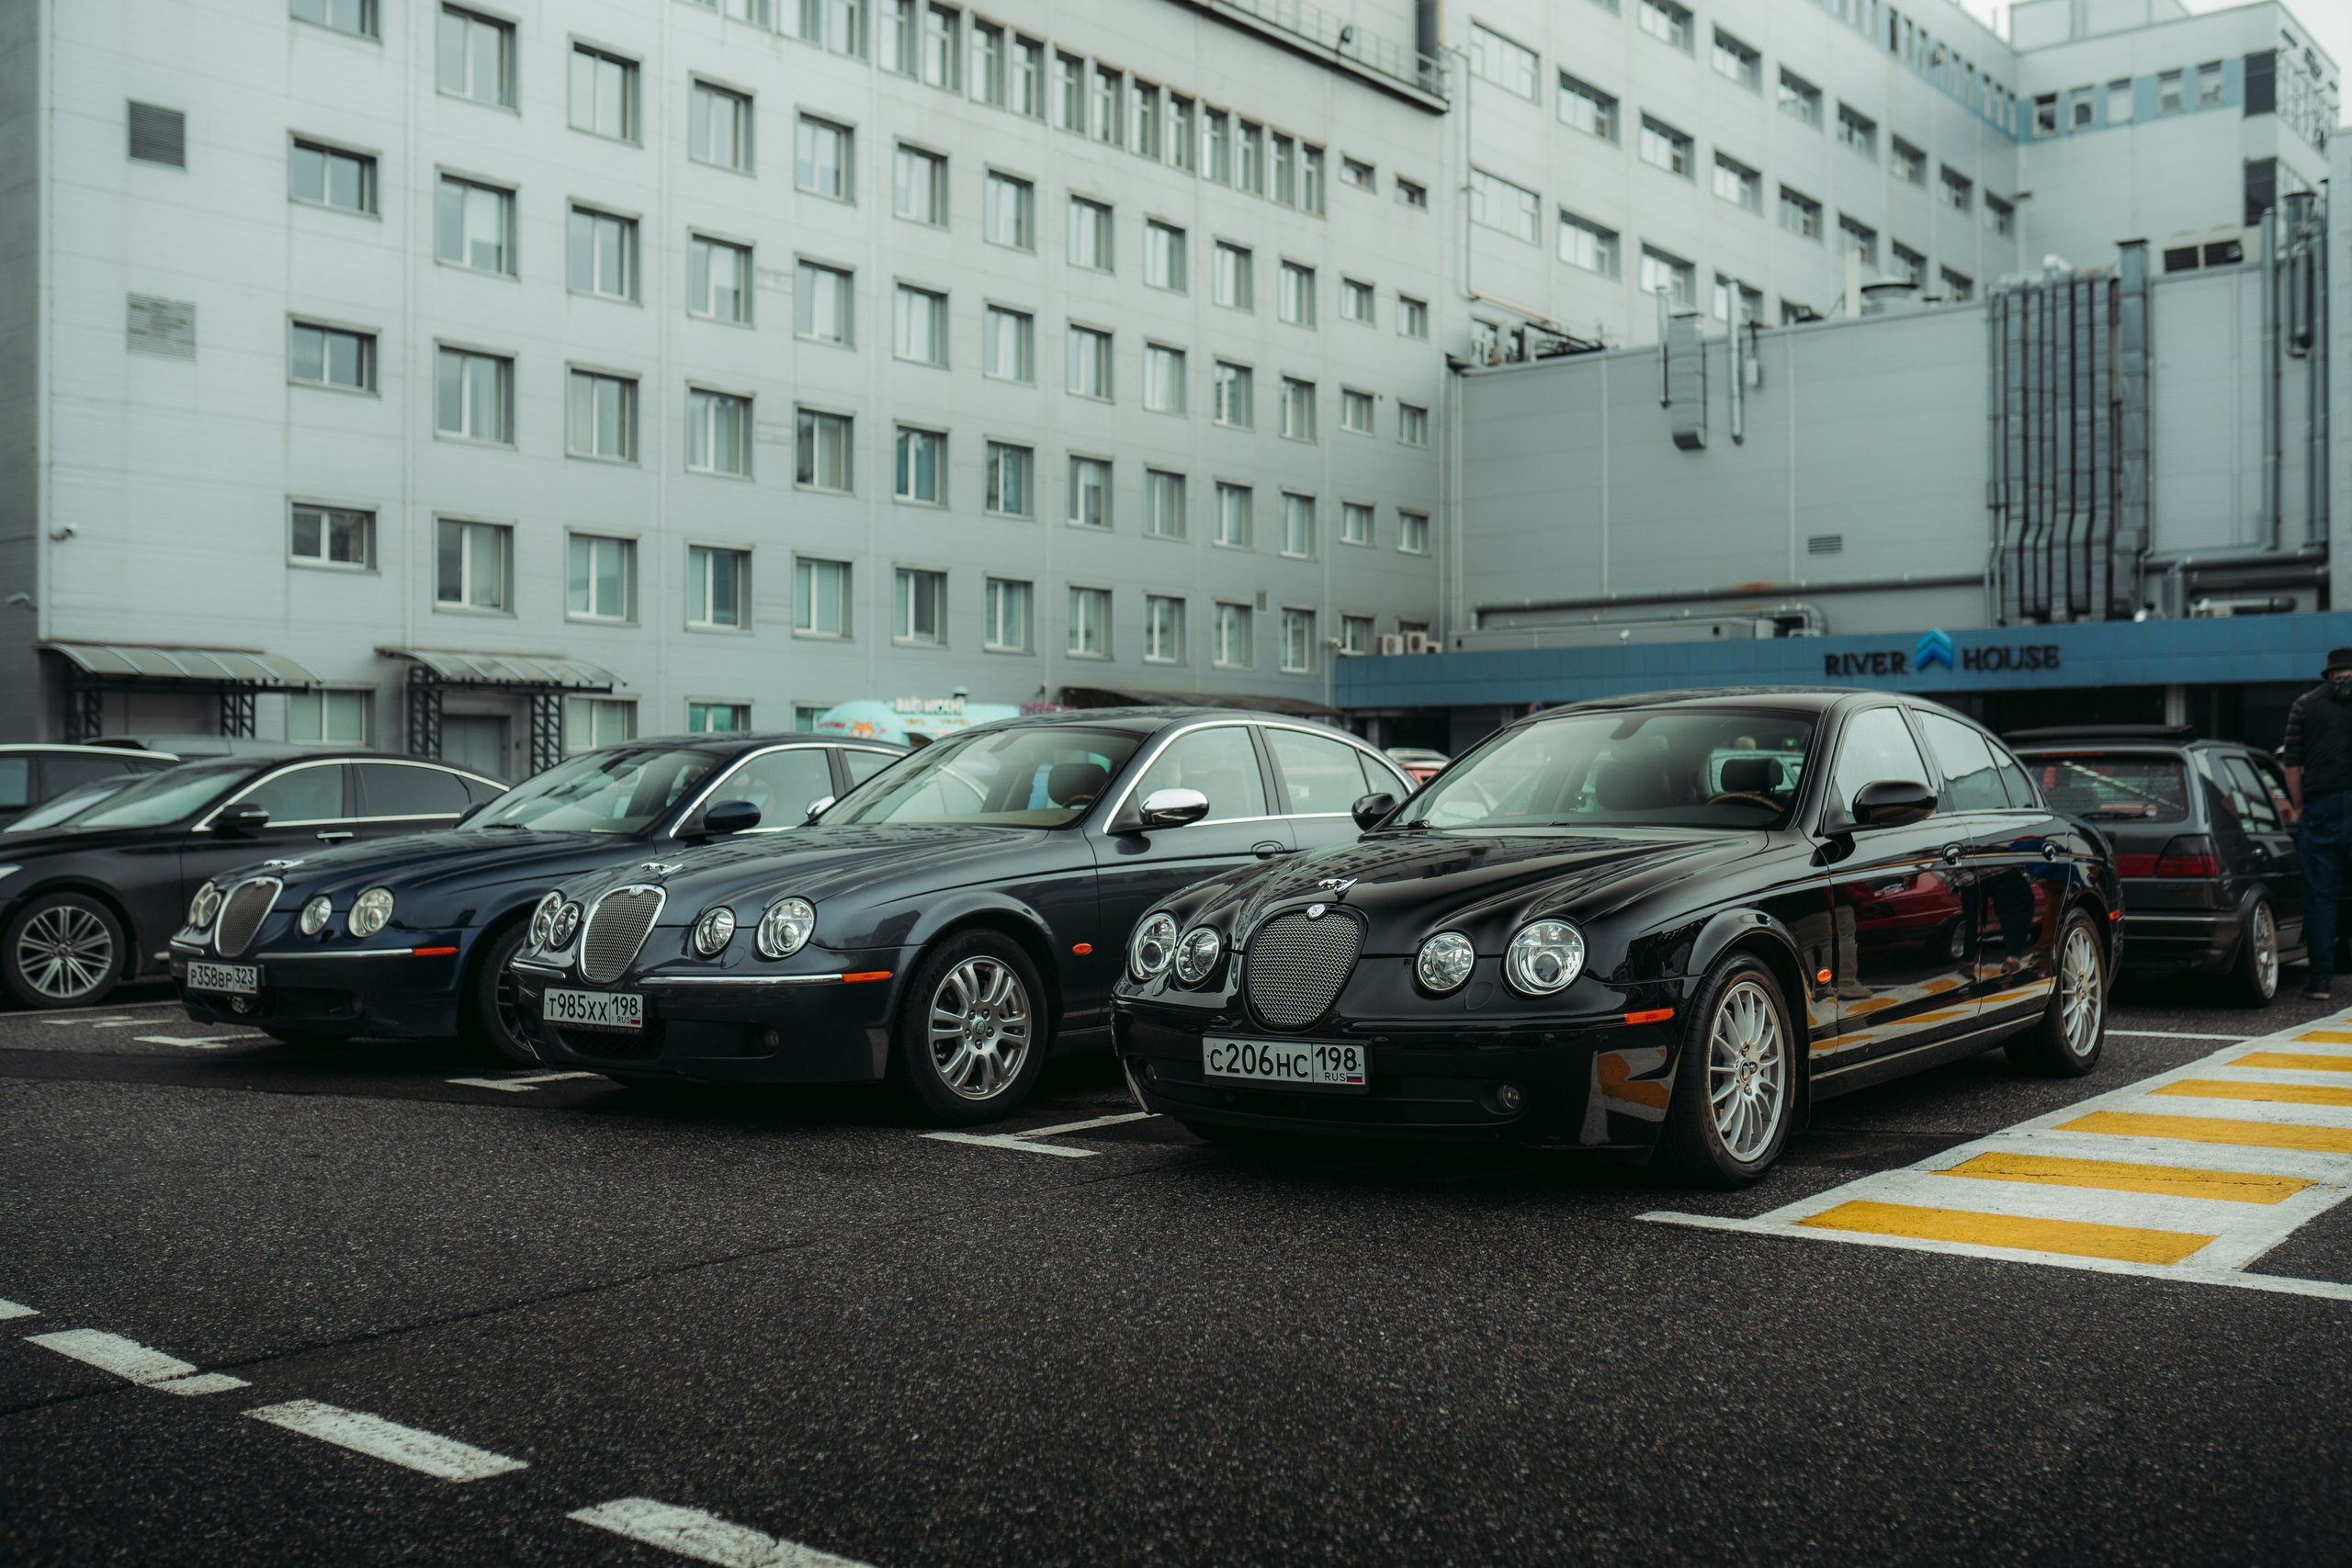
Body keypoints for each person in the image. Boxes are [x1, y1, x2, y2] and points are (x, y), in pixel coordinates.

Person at [2281, 647, 2352, 1000]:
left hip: (2322, 806)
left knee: (2321, 896)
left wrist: (2299, 806)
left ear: (2329, 674)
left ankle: (2321, 981)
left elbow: (2291, 763)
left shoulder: (2305, 705)